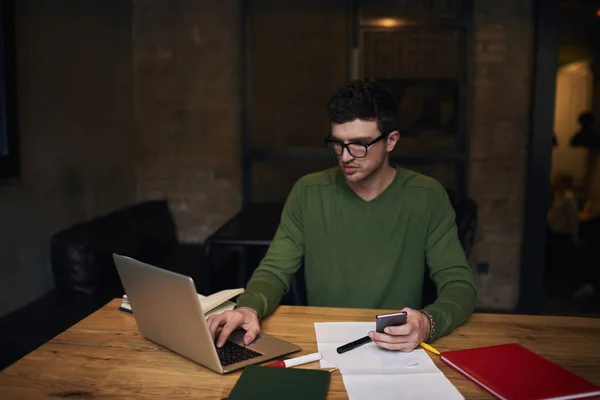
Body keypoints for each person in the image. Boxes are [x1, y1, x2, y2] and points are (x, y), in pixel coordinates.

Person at [208, 79, 477, 352]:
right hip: (324, 341)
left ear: (391, 141)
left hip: (396, 345)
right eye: (338, 143)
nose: (345, 156)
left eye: (359, 144)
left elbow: (459, 286)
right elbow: (274, 271)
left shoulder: (426, 196)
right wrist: (249, 307)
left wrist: (428, 323)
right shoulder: (308, 191)